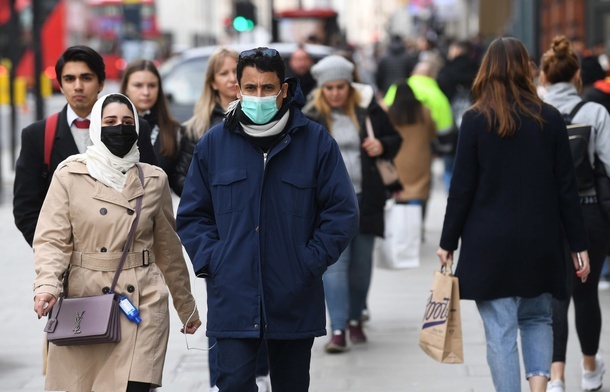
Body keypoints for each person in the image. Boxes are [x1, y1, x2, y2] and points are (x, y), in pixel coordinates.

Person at [176, 47, 359, 391]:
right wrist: (214, 262)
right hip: (232, 295)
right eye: (250, 88)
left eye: (267, 88)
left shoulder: (316, 142)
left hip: (293, 295)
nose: (258, 96)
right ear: (238, 89)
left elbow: (342, 212)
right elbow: (192, 215)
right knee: (232, 385)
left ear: (284, 89)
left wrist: (309, 261)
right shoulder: (214, 145)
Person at [437, 37, 590, 392]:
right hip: (541, 240)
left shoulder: (475, 120)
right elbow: (567, 187)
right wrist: (578, 243)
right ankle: (539, 388)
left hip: (490, 244)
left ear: (486, 71)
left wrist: (448, 241)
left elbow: (461, 190)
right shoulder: (550, 119)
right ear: (527, 70)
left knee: (501, 332)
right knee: (538, 319)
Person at [32, 93, 201, 392]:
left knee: (134, 384)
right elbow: (52, 240)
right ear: (96, 127)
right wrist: (47, 286)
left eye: (127, 122)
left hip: (142, 303)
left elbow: (168, 250)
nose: (119, 128)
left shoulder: (154, 179)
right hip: (86, 302)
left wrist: (185, 307)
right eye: (110, 122)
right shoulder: (70, 174)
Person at [177, 47, 273, 392]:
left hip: (262, 243)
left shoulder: (271, 121)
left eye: (238, 72)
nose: (233, 79)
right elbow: (189, 193)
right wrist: (212, 256)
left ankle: (259, 375)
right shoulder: (202, 130)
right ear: (214, 82)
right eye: (225, 73)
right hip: (226, 246)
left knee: (263, 315)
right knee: (228, 320)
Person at [303, 55, 402, 353]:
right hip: (329, 205)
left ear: (349, 86)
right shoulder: (310, 117)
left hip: (366, 199)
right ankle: (338, 328)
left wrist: (381, 145)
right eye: (329, 88)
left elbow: (395, 139)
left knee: (361, 268)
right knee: (334, 266)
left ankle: (356, 316)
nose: (335, 93)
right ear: (321, 89)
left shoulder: (368, 111)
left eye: (340, 87)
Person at [13, 45, 157, 247]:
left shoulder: (134, 128)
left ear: (101, 83)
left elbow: (151, 194)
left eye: (86, 78)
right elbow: (26, 209)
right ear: (61, 85)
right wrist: (56, 253)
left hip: (125, 256)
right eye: (69, 79)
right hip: (68, 260)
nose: (78, 86)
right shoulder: (37, 135)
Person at [538, 35, 610, 392]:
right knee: (586, 293)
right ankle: (590, 369)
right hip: (588, 214)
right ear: (578, 75)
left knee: (555, 296)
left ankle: (555, 378)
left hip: (547, 218)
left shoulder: (535, 113)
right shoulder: (595, 112)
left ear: (544, 77)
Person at [121, 59, 184, 195]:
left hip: (156, 210)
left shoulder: (174, 130)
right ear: (126, 88)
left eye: (152, 85)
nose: (146, 92)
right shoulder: (111, 125)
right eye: (138, 85)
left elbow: (178, 181)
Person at [387, 82, 435, 217]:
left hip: (398, 160)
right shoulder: (424, 110)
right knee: (418, 192)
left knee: (400, 193)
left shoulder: (390, 113)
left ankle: (402, 226)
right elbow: (433, 132)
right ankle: (416, 224)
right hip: (420, 158)